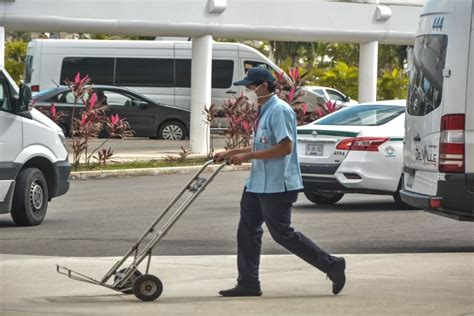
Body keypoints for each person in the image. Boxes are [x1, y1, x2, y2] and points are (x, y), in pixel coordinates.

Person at [214, 67, 346, 297]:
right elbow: (262, 144)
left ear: (264, 85)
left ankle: (331, 264)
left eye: (251, 85)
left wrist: (246, 157)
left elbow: (285, 147)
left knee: (282, 234)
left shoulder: (279, 111)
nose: (248, 90)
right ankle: (248, 283)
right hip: (257, 183)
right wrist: (232, 152)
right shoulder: (264, 110)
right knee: (246, 231)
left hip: (278, 184)